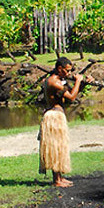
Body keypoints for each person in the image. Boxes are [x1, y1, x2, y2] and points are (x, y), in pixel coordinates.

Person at [38, 57, 91, 187]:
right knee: (55, 147)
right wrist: (78, 80)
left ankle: (60, 178)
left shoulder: (59, 81)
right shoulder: (53, 82)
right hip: (53, 117)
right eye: (67, 71)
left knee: (60, 147)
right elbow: (72, 98)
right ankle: (56, 181)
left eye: (70, 70)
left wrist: (84, 84)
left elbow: (70, 95)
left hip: (58, 115)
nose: (69, 73)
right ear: (59, 69)